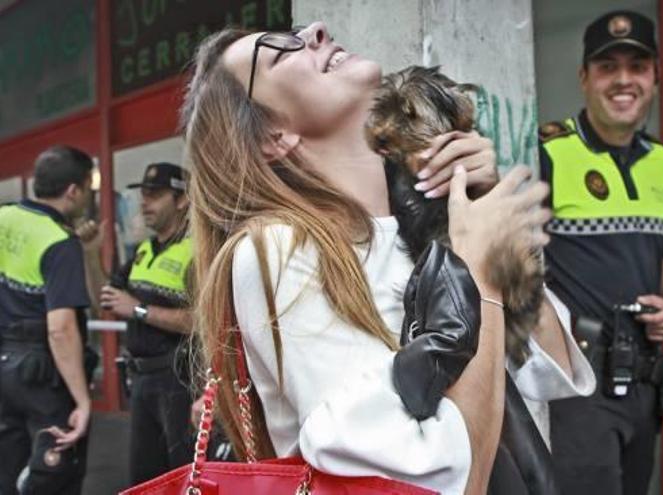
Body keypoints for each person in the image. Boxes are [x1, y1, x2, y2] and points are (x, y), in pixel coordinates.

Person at [180, 23, 594, 495]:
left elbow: (549, 368)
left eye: (300, 32)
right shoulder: (278, 246)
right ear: (274, 136)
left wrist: (477, 208)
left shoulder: (416, 223)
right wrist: (478, 272)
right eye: (278, 52)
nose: (314, 32)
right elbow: (422, 475)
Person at [539, 10, 663, 495]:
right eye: (608, 67)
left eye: (637, 66)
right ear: (585, 79)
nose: (623, 80)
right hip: (576, 381)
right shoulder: (547, 152)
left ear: (655, 79)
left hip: (644, 379)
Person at [0, 145, 94, 494]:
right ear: (73, 190)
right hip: (43, 378)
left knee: (7, 471)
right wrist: (82, 401)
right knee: (56, 474)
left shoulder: (5, 216)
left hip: (5, 364)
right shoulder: (59, 240)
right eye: (88, 187)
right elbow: (61, 329)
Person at [99, 163, 195, 486]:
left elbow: (201, 322)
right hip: (142, 381)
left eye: (154, 195)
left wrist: (138, 309)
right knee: (144, 478)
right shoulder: (141, 251)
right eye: (143, 194)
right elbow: (108, 298)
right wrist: (86, 253)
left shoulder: (197, 250)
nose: (144, 202)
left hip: (179, 381)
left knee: (183, 476)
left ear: (181, 200)